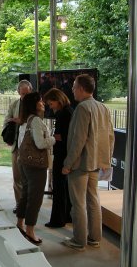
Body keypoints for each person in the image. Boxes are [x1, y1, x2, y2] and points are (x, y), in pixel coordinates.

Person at [62, 74, 114, 251]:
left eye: (74, 86)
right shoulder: (103, 108)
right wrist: (105, 160)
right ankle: (94, 238)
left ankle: (79, 241)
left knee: (78, 203)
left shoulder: (83, 108)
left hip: (81, 164)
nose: (72, 89)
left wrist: (68, 163)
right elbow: (110, 137)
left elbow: (78, 140)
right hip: (96, 163)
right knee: (93, 200)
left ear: (82, 88)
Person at [16, 92, 55, 245]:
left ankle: (20, 223)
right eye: (40, 101)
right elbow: (40, 144)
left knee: (25, 194)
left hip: (24, 162)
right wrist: (52, 139)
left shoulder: (25, 120)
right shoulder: (36, 121)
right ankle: (30, 230)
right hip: (36, 166)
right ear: (34, 104)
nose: (43, 103)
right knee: (35, 198)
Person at [43, 88, 73, 228]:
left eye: (51, 103)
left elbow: (64, 136)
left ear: (58, 100)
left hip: (62, 154)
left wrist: (51, 137)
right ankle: (66, 215)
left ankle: (58, 219)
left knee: (59, 188)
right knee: (65, 187)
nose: (50, 106)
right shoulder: (69, 111)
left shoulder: (63, 114)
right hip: (65, 153)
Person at [3, 79, 33, 213]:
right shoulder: (14, 105)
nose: (25, 96)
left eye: (27, 93)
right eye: (22, 94)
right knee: (17, 178)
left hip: (31, 148)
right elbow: (6, 120)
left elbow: (37, 122)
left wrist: (20, 121)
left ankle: (29, 205)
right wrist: (13, 122)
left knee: (29, 178)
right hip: (16, 146)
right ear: (18, 93)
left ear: (31, 91)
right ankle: (19, 205)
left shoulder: (35, 105)